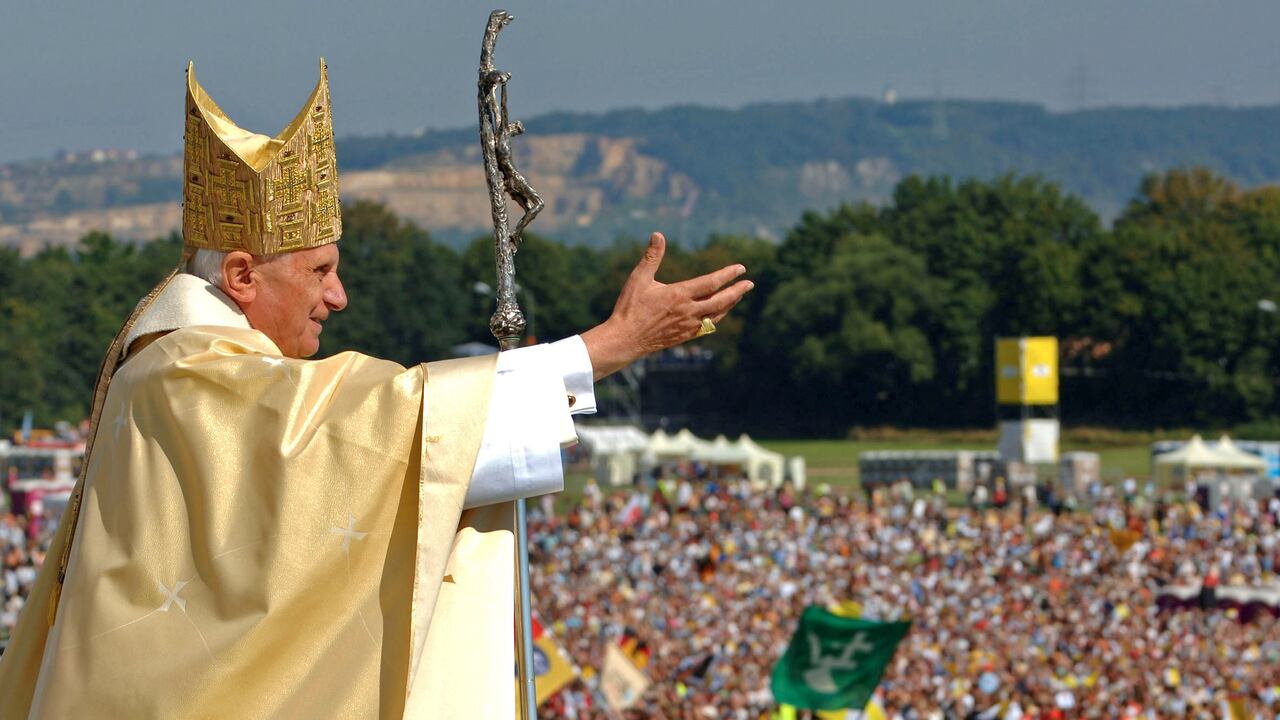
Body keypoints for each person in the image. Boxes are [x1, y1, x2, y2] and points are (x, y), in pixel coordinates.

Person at [0, 61, 752, 717]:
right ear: (241, 276)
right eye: (320, 271)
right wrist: (612, 345)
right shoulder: (190, 376)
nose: (338, 297)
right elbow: (393, 436)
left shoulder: (176, 366)